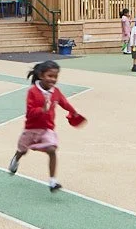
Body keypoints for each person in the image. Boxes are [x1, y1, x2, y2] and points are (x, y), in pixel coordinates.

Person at [8, 60, 85, 193]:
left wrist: (73, 111)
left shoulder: (56, 92)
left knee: (52, 150)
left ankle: (52, 181)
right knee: (22, 150)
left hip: (47, 129)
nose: (53, 79)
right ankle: (15, 160)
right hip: (31, 128)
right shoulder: (33, 92)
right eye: (50, 76)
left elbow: (64, 103)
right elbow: (30, 112)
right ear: (41, 75)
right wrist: (42, 110)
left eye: (55, 76)